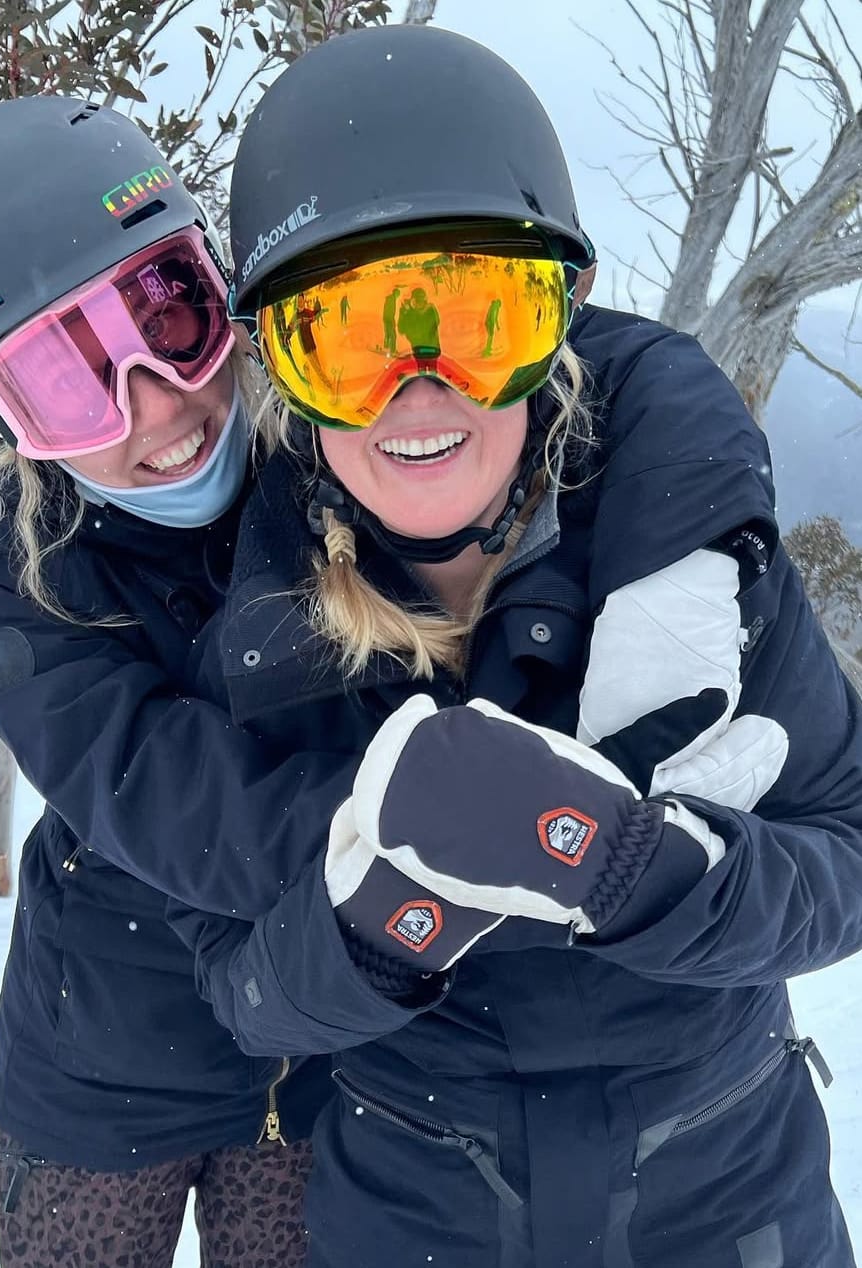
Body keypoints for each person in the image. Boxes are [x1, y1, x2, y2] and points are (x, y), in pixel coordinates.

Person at [169, 24, 862, 1268]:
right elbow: (240, 989)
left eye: (479, 318)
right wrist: (388, 920)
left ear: (558, 328)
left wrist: (644, 871)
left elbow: (845, 858)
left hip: (723, 1195)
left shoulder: (688, 563)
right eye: (346, 337)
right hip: (418, 1210)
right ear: (279, 366)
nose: (416, 392)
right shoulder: (262, 632)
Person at [0, 95, 356, 1268]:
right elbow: (183, 807)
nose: (157, 407)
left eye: (168, 318)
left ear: (218, 286)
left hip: (311, 1062)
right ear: (3, 422)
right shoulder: (22, 576)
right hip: (99, 1078)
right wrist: (445, 829)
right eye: (66, 385)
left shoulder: (341, 467)